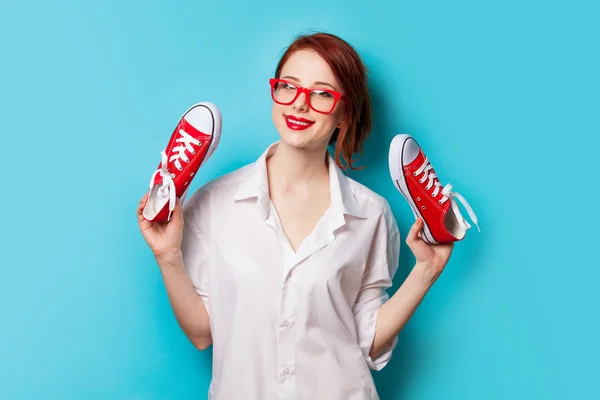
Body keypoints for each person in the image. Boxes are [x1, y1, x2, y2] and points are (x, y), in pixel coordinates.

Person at [136, 32, 454, 400]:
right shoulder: (213, 202)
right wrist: (167, 255)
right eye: (289, 86)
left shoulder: (371, 214)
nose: (300, 104)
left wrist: (426, 271)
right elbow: (201, 332)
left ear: (343, 113)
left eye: (321, 93)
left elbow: (366, 341)